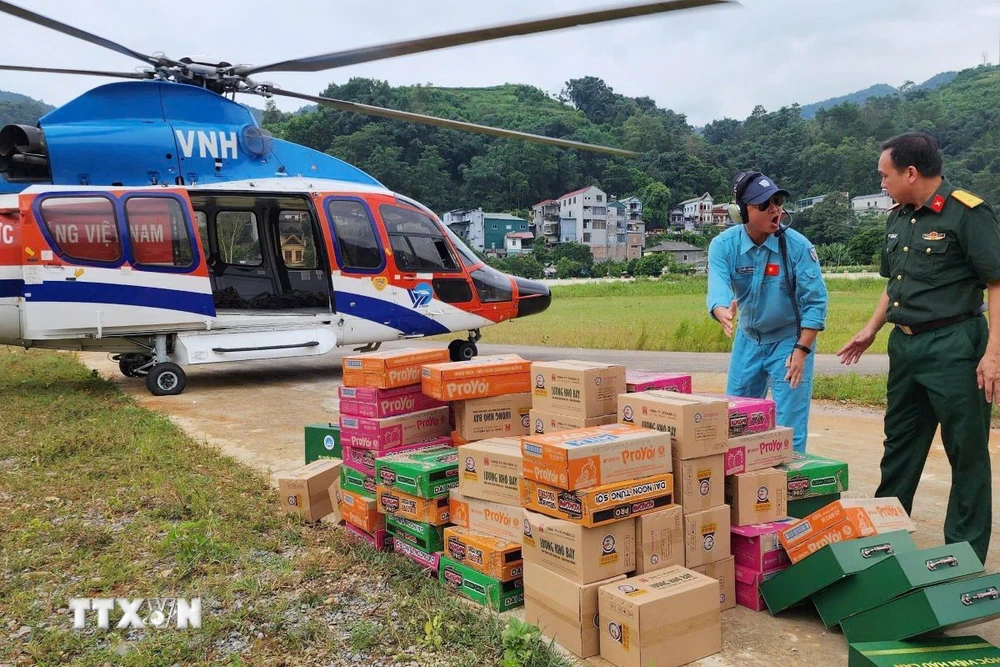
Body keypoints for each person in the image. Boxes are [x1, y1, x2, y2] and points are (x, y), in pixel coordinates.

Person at [838, 132, 1000, 563]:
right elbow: (895, 285)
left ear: (911, 172)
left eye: (885, 175)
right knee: (900, 447)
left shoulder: (968, 213)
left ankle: (962, 561)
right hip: (905, 347)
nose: (882, 183)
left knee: (966, 453)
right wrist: (871, 328)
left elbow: (997, 282)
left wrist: (994, 353)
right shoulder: (899, 217)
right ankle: (884, 549)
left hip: (955, 346)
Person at [707, 172, 828, 453]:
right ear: (741, 213)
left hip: (789, 342)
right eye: (764, 205)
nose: (775, 210)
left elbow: (816, 302)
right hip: (748, 339)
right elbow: (718, 283)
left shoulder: (798, 247)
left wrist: (801, 349)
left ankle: (790, 489)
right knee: (736, 419)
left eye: (777, 201)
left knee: (789, 427)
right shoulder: (724, 246)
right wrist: (720, 308)